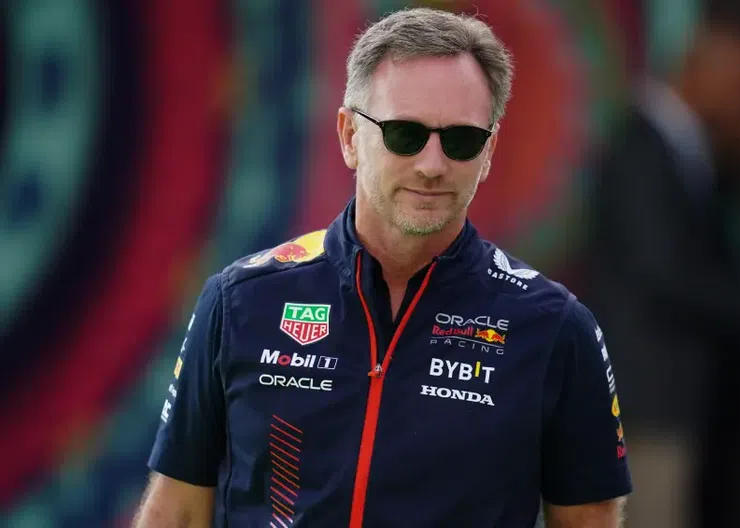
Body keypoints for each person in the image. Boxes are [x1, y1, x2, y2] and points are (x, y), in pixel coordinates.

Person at [132, 7, 631, 527]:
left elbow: (588, 520)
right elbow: (177, 512)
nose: (432, 165)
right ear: (350, 135)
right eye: (404, 134)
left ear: (488, 153)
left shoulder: (555, 328)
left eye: (461, 140)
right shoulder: (240, 300)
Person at [580, 18, 740, 528]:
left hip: (669, 394)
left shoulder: (690, 145)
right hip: (646, 395)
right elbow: (662, 269)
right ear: (700, 72)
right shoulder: (642, 145)